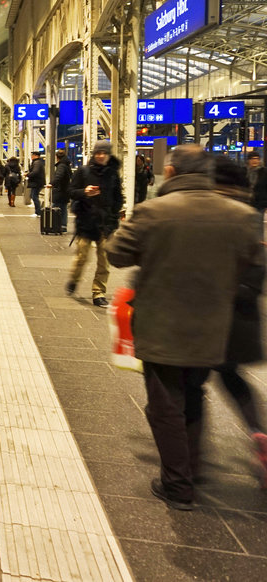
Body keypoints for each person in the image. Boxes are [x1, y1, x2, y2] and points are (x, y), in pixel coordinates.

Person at [108, 145, 264, 509]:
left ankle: (177, 484)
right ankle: (190, 470)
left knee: (165, 408)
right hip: (213, 328)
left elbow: (117, 254)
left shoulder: (152, 212)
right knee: (194, 396)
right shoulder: (241, 216)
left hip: (161, 326)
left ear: (173, 173)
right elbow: (253, 263)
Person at [208, 155, 267, 485]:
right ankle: (259, 433)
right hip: (241, 318)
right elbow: (257, 269)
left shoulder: (211, 214)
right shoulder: (249, 217)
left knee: (190, 382)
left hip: (209, 315)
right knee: (232, 377)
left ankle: (189, 459)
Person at [66, 140, 123, 306]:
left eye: (104, 153)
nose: (100, 156)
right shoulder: (83, 172)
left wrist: (113, 217)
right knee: (82, 257)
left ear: (108, 155)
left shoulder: (113, 175)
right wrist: (84, 192)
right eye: (98, 153)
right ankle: (74, 280)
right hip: (86, 223)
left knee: (104, 261)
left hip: (106, 225)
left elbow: (118, 198)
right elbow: (70, 192)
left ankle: (98, 292)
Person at [50, 149, 71, 223]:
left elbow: (59, 176)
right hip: (65, 190)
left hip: (60, 191)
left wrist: (51, 184)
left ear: (57, 157)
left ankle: (55, 225)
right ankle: (63, 225)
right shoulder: (66, 165)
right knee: (63, 208)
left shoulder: (61, 166)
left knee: (54, 207)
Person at [26, 150, 46, 217]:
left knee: (34, 196)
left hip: (36, 182)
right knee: (33, 196)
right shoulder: (37, 162)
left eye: (33, 155)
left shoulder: (37, 163)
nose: (31, 156)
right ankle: (38, 211)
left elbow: (35, 172)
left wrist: (28, 175)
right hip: (37, 182)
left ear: (36, 156)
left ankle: (38, 212)